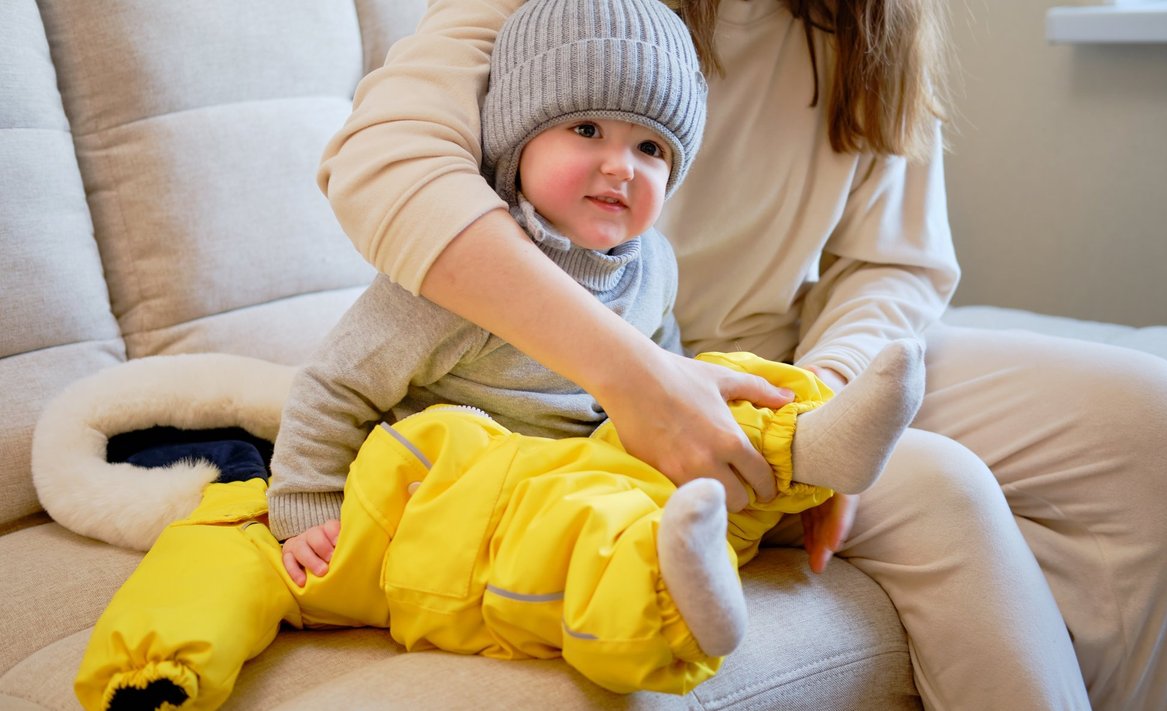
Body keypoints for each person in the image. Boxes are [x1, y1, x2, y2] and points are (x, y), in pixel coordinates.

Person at [315, 0, 1167, 709]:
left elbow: (891, 263)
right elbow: (387, 161)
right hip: (580, 393)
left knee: (1159, 422)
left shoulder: (872, 24)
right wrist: (635, 376)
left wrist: (820, 407)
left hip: (787, 370)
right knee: (942, 486)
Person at [265, 0, 923, 694]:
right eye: (586, 130)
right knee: (579, 520)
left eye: (651, 150)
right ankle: (667, 587)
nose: (621, 167)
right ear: (518, 140)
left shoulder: (654, 265)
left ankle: (806, 440)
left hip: (597, 451)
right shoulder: (458, 281)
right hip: (482, 480)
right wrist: (308, 504)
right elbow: (332, 384)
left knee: (728, 382)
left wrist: (705, 395)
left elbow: (667, 357)